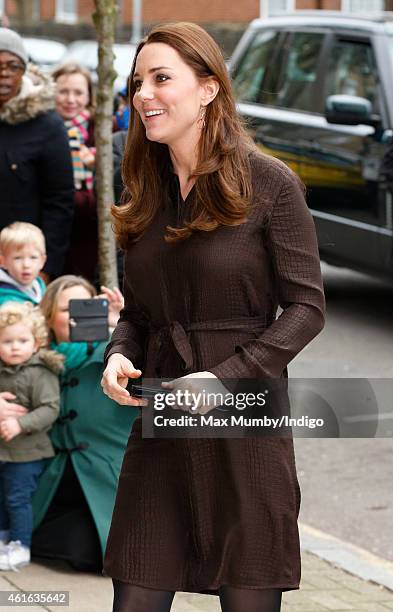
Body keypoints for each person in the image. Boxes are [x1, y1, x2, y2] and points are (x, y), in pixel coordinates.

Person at [101, 22, 325, 612]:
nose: (143, 95)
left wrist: (225, 379)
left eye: (161, 78)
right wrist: (119, 351)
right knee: (135, 592)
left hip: (245, 420)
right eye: (137, 83)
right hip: (164, 413)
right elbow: (142, 312)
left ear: (208, 89)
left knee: (248, 595)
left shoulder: (271, 184)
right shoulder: (144, 189)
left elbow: (307, 308)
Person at [31, 276, 138, 572]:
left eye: (86, 307)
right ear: (49, 317)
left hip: (107, 487)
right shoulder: (29, 360)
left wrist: (124, 330)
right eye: (68, 309)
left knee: (83, 548)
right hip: (52, 485)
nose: (79, 317)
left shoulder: (119, 357)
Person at [0, 28, 74, 281]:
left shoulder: (46, 124)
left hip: (23, 268)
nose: (4, 73)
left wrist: (45, 269)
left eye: (13, 65)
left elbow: (60, 201)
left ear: (25, 70)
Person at [0, 302, 62, 571]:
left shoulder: (40, 373)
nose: (15, 347)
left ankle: (21, 545)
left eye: (22, 340)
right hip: (3, 450)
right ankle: (3, 539)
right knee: (2, 496)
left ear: (36, 343)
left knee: (17, 498)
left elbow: (50, 409)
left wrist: (20, 424)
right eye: (7, 341)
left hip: (27, 452)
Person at [52, 63, 98, 283]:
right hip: (53, 226)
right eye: (63, 92)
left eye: (78, 93)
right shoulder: (42, 129)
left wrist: (96, 164)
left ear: (89, 96)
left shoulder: (101, 131)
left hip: (89, 229)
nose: (71, 100)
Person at [0, 222, 47, 306]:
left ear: (42, 261)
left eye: (33, 257)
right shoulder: (5, 300)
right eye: (18, 258)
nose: (26, 265)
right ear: (2, 262)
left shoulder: (40, 286)